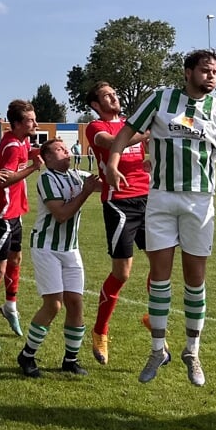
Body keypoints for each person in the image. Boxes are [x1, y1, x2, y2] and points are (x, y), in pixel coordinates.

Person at [106, 48, 216, 387]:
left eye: (215, 71)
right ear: (187, 72)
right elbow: (125, 132)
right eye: (205, 70)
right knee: (159, 278)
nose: (211, 76)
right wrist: (113, 161)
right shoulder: (160, 99)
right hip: (160, 199)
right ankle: (158, 349)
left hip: (199, 203)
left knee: (195, 279)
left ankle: (192, 351)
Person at [16, 139, 103, 378]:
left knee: (75, 302)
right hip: (46, 248)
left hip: (70, 249)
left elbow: (107, 183)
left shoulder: (76, 175)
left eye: (67, 149)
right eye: (60, 150)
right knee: (54, 303)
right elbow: (62, 214)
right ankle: (27, 355)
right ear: (48, 159)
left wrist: (121, 167)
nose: (67, 152)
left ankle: (70, 360)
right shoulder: (47, 178)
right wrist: (86, 191)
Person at [83, 80, 150, 365]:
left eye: (114, 94)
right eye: (106, 96)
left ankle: (153, 316)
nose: (113, 98)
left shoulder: (129, 123)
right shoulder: (96, 128)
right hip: (119, 203)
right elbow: (113, 144)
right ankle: (100, 331)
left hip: (148, 199)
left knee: (163, 263)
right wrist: (145, 132)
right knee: (122, 274)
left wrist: (152, 161)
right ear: (96, 105)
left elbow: (144, 159)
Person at [0, 100, 43, 349]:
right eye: (30, 120)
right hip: (1, 216)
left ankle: (10, 306)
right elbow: (3, 180)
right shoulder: (14, 145)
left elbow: (13, 161)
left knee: (16, 261)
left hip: (14, 214)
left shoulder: (20, 140)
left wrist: (41, 152)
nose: (35, 123)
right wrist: (32, 169)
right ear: (17, 124)